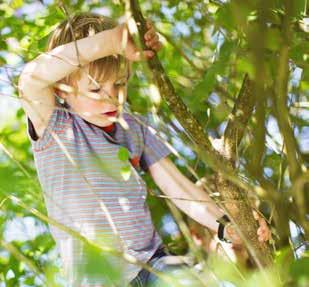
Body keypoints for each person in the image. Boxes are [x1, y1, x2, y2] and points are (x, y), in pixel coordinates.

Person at [18, 12, 271, 287]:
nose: (111, 97)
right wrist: (114, 41)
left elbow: (179, 188)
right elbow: (31, 78)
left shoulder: (134, 127)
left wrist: (225, 226)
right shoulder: (54, 125)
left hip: (153, 264)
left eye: (119, 83)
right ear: (62, 89)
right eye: (94, 89)